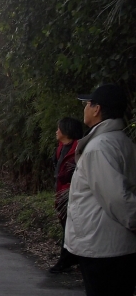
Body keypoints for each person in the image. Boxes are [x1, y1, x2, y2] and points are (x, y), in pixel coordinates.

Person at [60, 84, 136, 296]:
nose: (84, 108)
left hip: (102, 241)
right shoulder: (121, 141)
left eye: (88, 104)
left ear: (98, 109)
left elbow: (118, 199)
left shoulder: (100, 147)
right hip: (117, 242)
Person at [48, 117, 84, 274]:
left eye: (59, 129)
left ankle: (67, 260)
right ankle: (70, 257)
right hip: (61, 192)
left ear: (66, 131)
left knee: (72, 227)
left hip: (73, 193)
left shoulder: (79, 149)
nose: (57, 131)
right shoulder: (60, 148)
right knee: (66, 226)